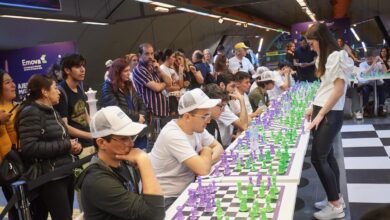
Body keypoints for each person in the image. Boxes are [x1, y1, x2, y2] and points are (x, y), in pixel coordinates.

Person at [76, 106, 164, 220]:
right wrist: (144, 161)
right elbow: (155, 214)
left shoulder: (123, 163)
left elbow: (145, 203)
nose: (131, 143)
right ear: (102, 143)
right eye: (123, 138)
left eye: (131, 137)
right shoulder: (97, 181)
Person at [305, 22, 356, 219]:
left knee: (318, 158)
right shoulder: (326, 57)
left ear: (321, 40)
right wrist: (313, 105)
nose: (311, 47)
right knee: (328, 156)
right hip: (323, 108)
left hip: (330, 113)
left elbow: (338, 90)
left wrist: (320, 114)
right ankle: (335, 198)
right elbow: (325, 86)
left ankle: (335, 207)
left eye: (312, 43)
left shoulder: (337, 56)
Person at [15, 74, 82, 220]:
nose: (59, 92)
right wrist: (66, 146)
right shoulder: (31, 112)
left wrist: (76, 147)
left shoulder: (53, 111)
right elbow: (30, 148)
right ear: (44, 91)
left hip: (65, 173)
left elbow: (62, 140)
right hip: (50, 179)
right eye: (55, 88)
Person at [149, 89, 224, 208]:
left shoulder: (197, 128)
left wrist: (205, 160)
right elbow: (203, 170)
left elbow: (219, 148)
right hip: (167, 198)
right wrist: (206, 151)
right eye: (205, 116)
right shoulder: (173, 134)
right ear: (187, 116)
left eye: (209, 115)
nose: (209, 120)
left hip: (188, 189)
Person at [132, 43, 173, 152]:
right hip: (152, 114)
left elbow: (170, 82)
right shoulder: (139, 70)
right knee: (153, 144)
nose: (150, 56)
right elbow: (156, 88)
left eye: (151, 54)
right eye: (146, 54)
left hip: (162, 112)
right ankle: (151, 167)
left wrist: (159, 70)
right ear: (140, 55)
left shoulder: (153, 67)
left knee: (163, 142)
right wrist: (164, 84)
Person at [101, 58, 148, 149]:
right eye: (126, 71)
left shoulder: (128, 84)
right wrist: (137, 116)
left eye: (129, 70)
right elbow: (116, 110)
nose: (129, 73)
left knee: (142, 154)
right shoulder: (108, 87)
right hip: (123, 131)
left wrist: (142, 115)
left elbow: (140, 101)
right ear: (118, 72)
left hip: (137, 127)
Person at [55, 53, 93, 148]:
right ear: (67, 70)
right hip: (76, 146)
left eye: (83, 66)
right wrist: (90, 135)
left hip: (89, 142)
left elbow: (85, 114)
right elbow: (65, 126)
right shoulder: (61, 92)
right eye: (77, 66)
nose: (82, 69)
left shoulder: (79, 87)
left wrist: (94, 131)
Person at [0, 69, 18, 220]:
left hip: (20, 163)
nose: (13, 85)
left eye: (12, 81)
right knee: (15, 206)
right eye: (7, 82)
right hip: (7, 167)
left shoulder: (18, 107)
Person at [216, 73, 248, 147]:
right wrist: (241, 100)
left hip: (228, 142)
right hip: (223, 147)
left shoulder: (230, 100)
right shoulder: (220, 105)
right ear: (222, 85)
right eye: (232, 86)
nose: (235, 90)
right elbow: (244, 125)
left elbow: (246, 121)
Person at [357, 50, 388, 117]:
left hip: (376, 84)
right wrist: (374, 63)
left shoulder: (378, 64)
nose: (370, 60)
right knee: (365, 89)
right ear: (365, 58)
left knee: (383, 88)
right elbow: (365, 73)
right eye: (368, 58)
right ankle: (366, 109)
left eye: (371, 58)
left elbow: (385, 72)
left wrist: (381, 61)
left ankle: (381, 108)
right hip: (366, 84)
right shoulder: (362, 64)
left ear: (374, 57)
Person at [160, 49, 184, 116]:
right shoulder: (162, 69)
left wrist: (180, 71)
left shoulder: (171, 69)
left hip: (175, 96)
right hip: (168, 99)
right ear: (167, 57)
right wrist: (177, 86)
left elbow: (180, 84)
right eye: (173, 57)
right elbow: (168, 88)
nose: (174, 59)